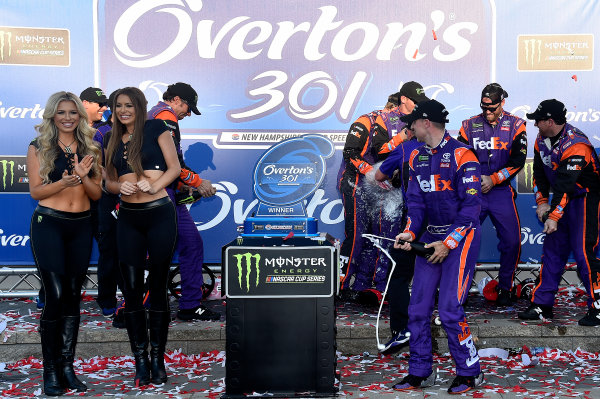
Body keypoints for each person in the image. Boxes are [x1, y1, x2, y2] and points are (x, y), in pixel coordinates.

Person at [392, 100, 484, 394]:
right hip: (431, 238)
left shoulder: (463, 155)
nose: (409, 128)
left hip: (462, 237)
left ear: (426, 123)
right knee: (417, 309)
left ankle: (470, 372)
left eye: (413, 123)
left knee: (448, 309)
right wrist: (409, 233)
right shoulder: (416, 156)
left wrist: (448, 243)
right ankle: (420, 371)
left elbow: (471, 209)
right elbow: (416, 204)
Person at [27, 91, 102, 395]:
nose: (68, 118)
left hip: (81, 226)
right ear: (52, 116)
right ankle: (51, 372)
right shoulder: (39, 147)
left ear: (80, 116)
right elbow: (36, 192)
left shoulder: (91, 147)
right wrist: (64, 181)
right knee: (56, 295)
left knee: (72, 295)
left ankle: (67, 369)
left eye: (73, 113)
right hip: (50, 225)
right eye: (62, 113)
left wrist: (83, 177)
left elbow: (97, 195)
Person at [104, 87, 180, 386]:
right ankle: (141, 360)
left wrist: (156, 183)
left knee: (158, 287)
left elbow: (174, 167)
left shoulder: (156, 127)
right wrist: (116, 188)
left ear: (139, 106)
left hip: (160, 214)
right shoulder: (110, 138)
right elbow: (108, 181)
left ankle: (158, 359)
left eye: (128, 105)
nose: (123, 110)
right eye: (118, 106)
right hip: (128, 219)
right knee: (132, 291)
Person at [518, 99, 600, 326]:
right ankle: (542, 305)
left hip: (585, 199)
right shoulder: (541, 139)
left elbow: (565, 184)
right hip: (561, 199)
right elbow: (539, 173)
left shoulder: (577, 145)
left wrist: (554, 215)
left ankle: (598, 306)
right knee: (553, 251)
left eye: (538, 120)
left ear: (550, 121)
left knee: (584, 253)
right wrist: (542, 202)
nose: (535, 124)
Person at [147, 82, 219, 321]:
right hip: (160, 195)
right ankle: (149, 305)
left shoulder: (154, 114)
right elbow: (172, 163)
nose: (188, 114)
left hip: (162, 191)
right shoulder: (166, 116)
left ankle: (187, 304)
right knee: (163, 252)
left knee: (187, 244)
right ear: (176, 99)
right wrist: (198, 182)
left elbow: (167, 162)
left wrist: (184, 184)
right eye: (188, 108)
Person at [458, 83, 527, 306]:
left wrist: (494, 179)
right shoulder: (468, 125)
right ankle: (459, 288)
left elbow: (517, 161)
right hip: (474, 191)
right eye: (484, 108)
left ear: (502, 103)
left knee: (513, 241)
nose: (488, 113)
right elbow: (460, 157)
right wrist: (476, 179)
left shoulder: (517, 125)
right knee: (461, 238)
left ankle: (505, 287)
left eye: (493, 108)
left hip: (500, 190)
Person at [374, 124, 424, 354]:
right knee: (439, 273)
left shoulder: (406, 149)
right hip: (447, 221)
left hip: (415, 217)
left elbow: (378, 175)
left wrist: (396, 175)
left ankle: (403, 330)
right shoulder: (455, 149)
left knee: (398, 274)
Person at [92, 89, 123, 317]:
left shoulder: (138, 133)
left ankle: (134, 297)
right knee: (109, 251)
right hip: (108, 199)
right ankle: (107, 299)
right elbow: (95, 167)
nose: (126, 110)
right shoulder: (101, 133)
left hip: (134, 200)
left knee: (130, 251)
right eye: (121, 105)